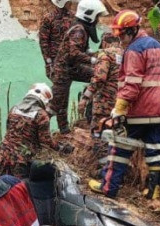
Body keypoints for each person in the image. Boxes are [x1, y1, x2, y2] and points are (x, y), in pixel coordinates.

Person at [89, 10, 160, 199]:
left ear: (132, 30)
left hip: (140, 110)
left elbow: (132, 85)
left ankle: (108, 187)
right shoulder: (158, 47)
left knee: (118, 146)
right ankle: (153, 190)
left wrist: (119, 110)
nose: (119, 38)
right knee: (155, 148)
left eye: (121, 33)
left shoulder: (135, 50)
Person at [48, 0, 108, 133]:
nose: (98, 20)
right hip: (63, 70)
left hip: (72, 68)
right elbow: (73, 53)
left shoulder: (81, 29)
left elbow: (82, 51)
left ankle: (90, 113)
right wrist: (93, 60)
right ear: (89, 15)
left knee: (98, 75)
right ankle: (35, 128)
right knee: (56, 105)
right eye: (97, 16)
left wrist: (100, 55)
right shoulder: (79, 31)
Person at [0, 83, 72, 178]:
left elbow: (9, 131)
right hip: (20, 160)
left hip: (1, 154)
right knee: (18, 188)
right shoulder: (41, 115)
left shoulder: (14, 109)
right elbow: (45, 141)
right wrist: (60, 147)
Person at [79, 33, 123, 131]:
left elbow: (99, 78)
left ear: (104, 43)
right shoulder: (127, 53)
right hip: (121, 104)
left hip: (104, 104)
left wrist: (85, 97)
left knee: (98, 134)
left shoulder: (105, 54)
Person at [39, 0, 75, 80]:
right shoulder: (49, 18)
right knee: (59, 86)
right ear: (63, 3)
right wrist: (48, 61)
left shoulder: (73, 17)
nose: (71, 3)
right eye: (69, 2)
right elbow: (43, 41)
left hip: (70, 59)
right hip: (55, 60)